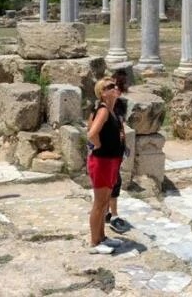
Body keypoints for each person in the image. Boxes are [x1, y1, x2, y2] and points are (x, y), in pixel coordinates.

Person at [86, 77, 126, 254]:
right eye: (110, 86)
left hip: (111, 161)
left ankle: (102, 237)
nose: (114, 88)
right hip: (102, 161)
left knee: (105, 204)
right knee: (99, 203)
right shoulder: (102, 111)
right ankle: (95, 242)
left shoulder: (113, 111)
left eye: (115, 85)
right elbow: (91, 133)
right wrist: (99, 145)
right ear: (102, 93)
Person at [105, 69, 131, 234]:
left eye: (120, 87)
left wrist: (125, 143)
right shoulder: (103, 109)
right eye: (115, 87)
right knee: (114, 181)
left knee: (113, 181)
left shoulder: (121, 105)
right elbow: (93, 133)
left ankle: (107, 212)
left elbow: (121, 125)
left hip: (118, 148)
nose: (118, 90)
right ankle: (113, 215)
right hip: (107, 151)